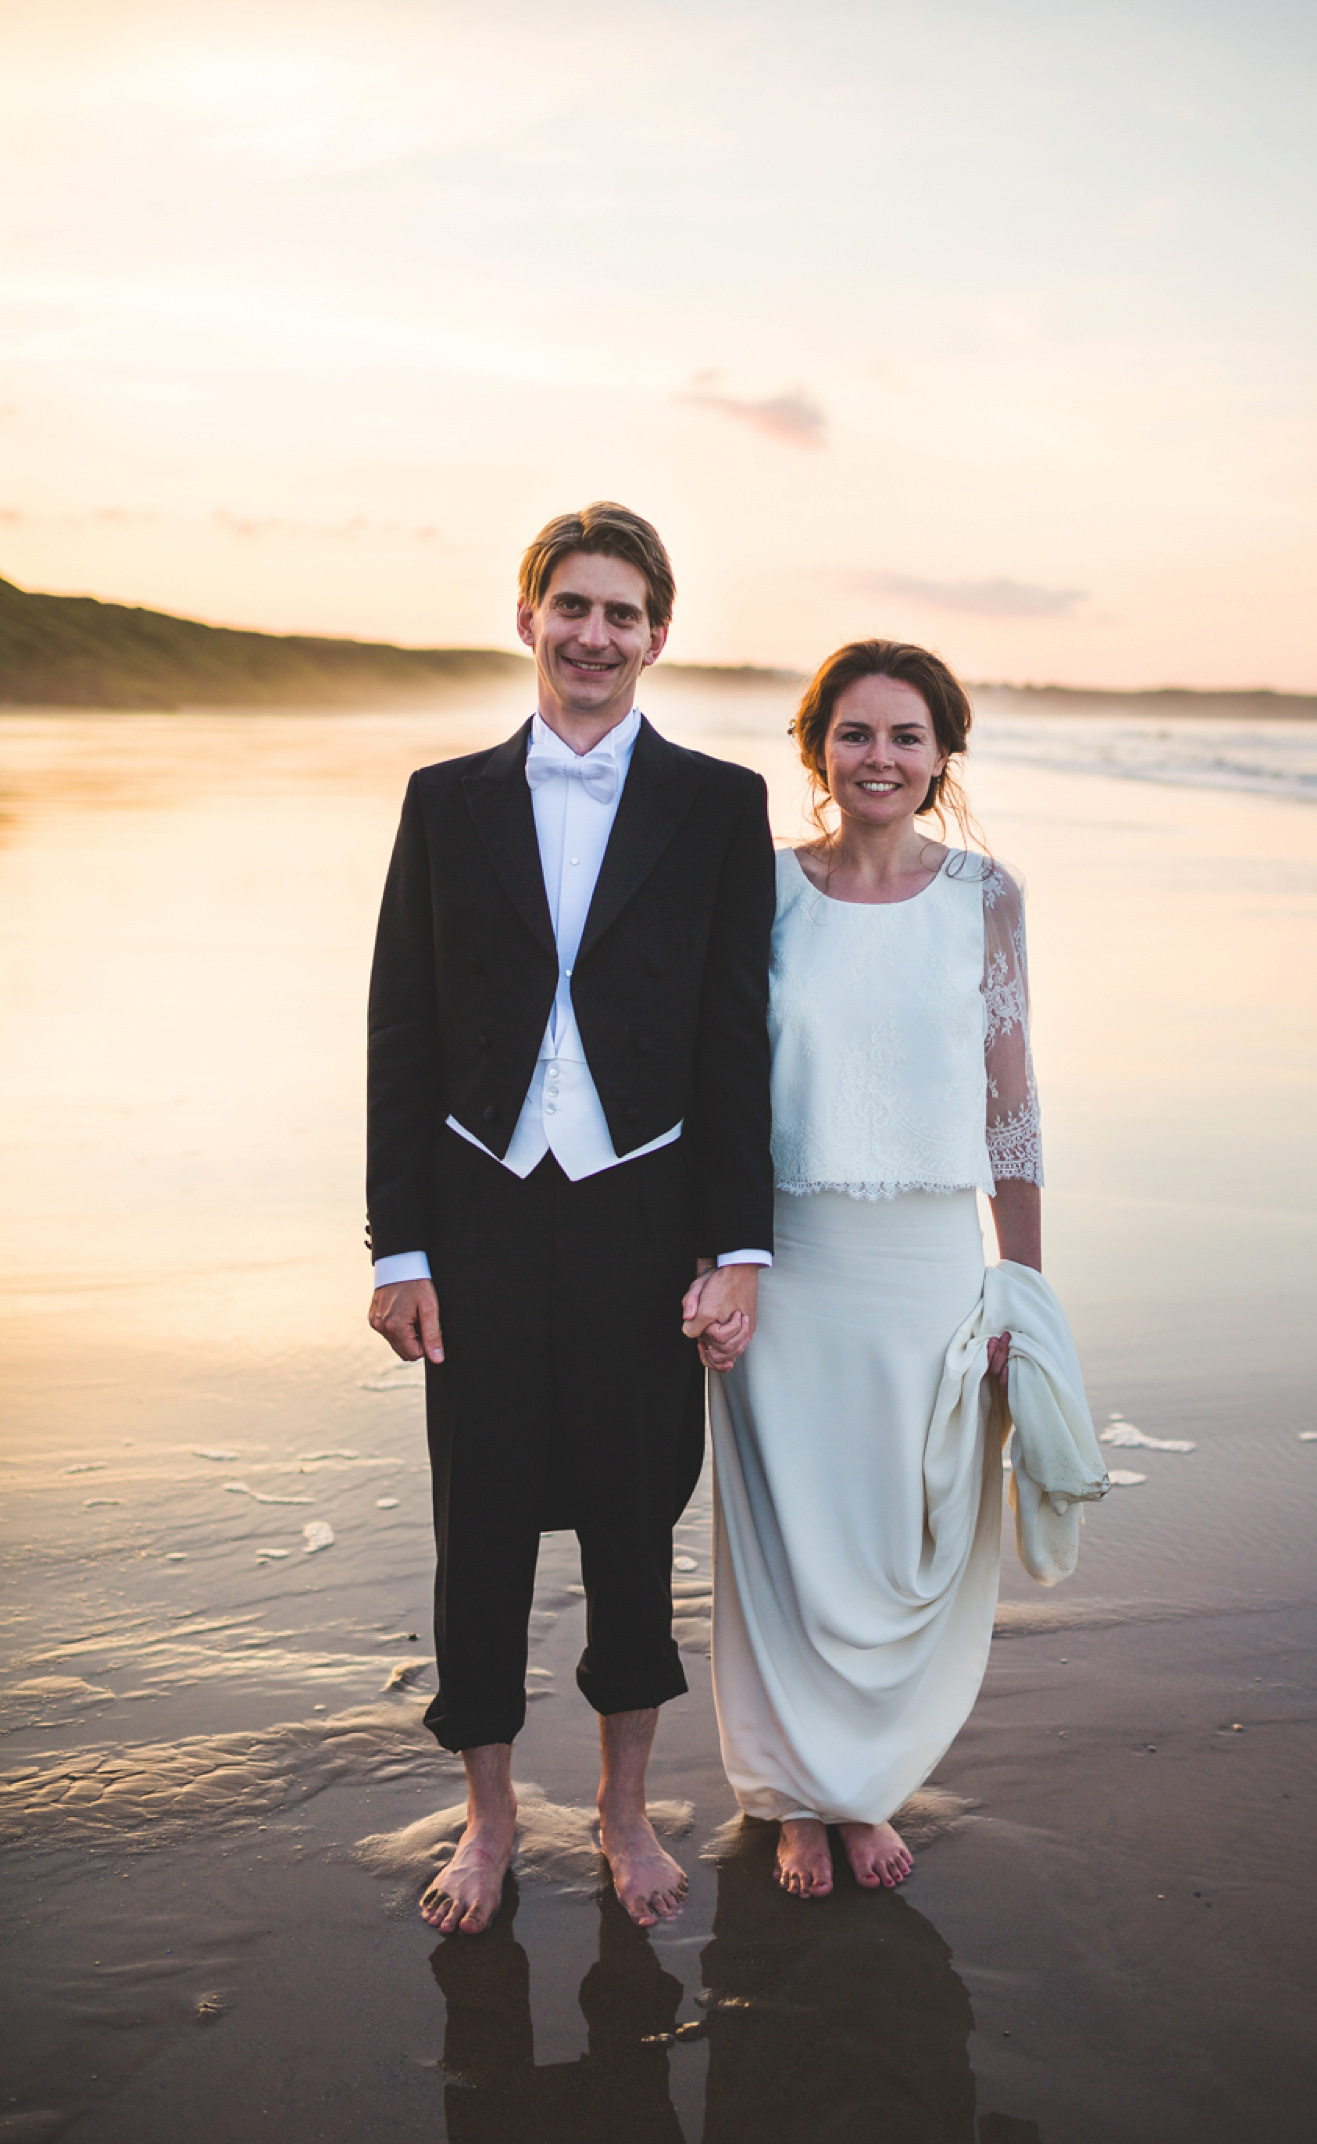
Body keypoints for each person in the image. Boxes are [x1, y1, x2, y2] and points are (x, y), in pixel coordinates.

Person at [366, 503, 774, 1935]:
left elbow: (736, 1040)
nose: (595, 635)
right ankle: (486, 1815)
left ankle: (617, 1808)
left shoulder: (720, 805)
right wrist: (396, 1243)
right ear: (528, 615)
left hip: (642, 1207)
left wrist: (738, 1245)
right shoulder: (444, 797)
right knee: (473, 1524)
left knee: (628, 1519)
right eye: (573, 606)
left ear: (659, 634)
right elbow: (400, 1031)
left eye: (623, 613)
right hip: (477, 1206)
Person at [707, 639, 1047, 1900]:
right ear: (817, 750)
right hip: (784, 1255)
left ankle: (870, 1785)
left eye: (908, 737)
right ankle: (798, 1796)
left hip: (925, 1255)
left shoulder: (986, 893)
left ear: (943, 754)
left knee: (915, 1532)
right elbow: (718, 1083)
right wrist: (714, 1256)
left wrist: (1023, 1283)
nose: (882, 759)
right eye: (857, 734)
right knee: (789, 1533)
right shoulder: (764, 886)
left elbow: (1011, 1105)